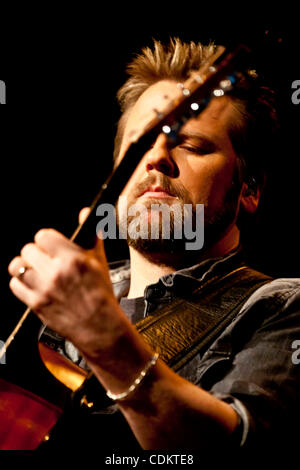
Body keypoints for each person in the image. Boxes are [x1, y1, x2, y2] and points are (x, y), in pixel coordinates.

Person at [7, 38, 300, 456]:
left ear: (249, 189)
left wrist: (106, 339)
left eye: (194, 145)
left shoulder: (284, 310)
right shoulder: (53, 307)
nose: (156, 158)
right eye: (139, 146)